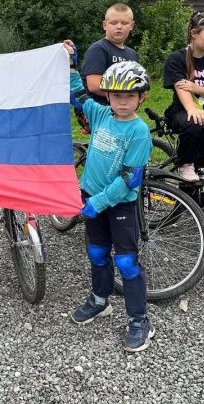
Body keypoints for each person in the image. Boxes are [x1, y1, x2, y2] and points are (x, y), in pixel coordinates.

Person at [70, 61, 154, 353]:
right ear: (107, 96)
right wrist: (69, 63)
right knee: (97, 252)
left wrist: (98, 202)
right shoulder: (101, 114)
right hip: (92, 198)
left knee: (127, 263)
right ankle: (99, 299)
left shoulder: (139, 131)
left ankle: (139, 319)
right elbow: (78, 96)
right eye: (116, 95)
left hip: (118, 206)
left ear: (142, 97)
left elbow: (130, 179)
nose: (122, 102)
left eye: (130, 96)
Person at [163, 12, 204, 240]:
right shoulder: (177, 58)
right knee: (193, 123)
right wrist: (192, 107)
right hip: (181, 112)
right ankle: (185, 164)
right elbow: (180, 87)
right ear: (194, 33)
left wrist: (196, 87)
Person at [80, 3, 140, 105]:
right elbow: (94, 85)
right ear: (104, 25)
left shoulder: (133, 54)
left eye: (124, 23)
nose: (119, 27)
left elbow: (137, 83)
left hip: (125, 111)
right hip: (100, 112)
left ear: (131, 26)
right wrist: (125, 96)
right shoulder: (98, 49)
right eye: (113, 23)